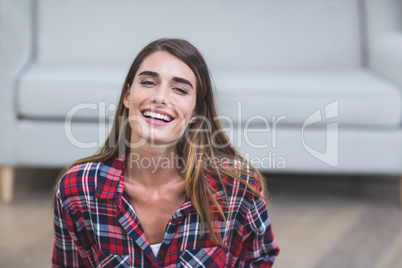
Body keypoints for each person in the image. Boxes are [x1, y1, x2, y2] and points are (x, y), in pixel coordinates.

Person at [52, 38, 279, 267]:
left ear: (194, 112)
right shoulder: (77, 189)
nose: (160, 98)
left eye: (179, 89)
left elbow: (258, 261)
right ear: (128, 95)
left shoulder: (236, 188)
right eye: (149, 82)